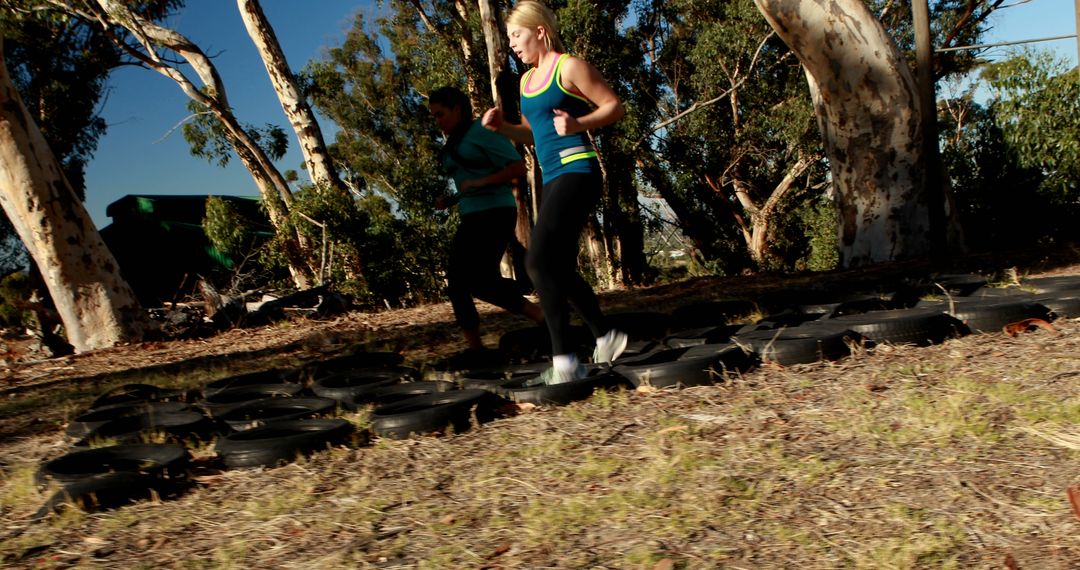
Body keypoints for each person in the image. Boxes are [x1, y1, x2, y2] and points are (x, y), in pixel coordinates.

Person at [481, 0, 627, 384]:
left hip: (579, 170)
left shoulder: (570, 67)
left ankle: (565, 361)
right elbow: (534, 134)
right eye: (510, 36)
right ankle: (605, 337)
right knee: (556, 266)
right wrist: (504, 130)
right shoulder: (526, 82)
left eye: (517, 35)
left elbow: (614, 106)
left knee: (536, 263)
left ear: (540, 32)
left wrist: (580, 123)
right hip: (550, 176)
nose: (512, 43)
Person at [429, 86, 545, 353]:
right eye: (434, 116)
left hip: (495, 212)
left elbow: (517, 168)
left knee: (466, 280)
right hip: (472, 214)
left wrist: (480, 182)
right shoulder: (454, 142)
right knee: (468, 282)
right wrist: (452, 200)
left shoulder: (482, 131)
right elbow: (468, 184)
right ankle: (477, 347)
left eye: (440, 114)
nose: (438, 121)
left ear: (458, 109)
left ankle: (540, 313)